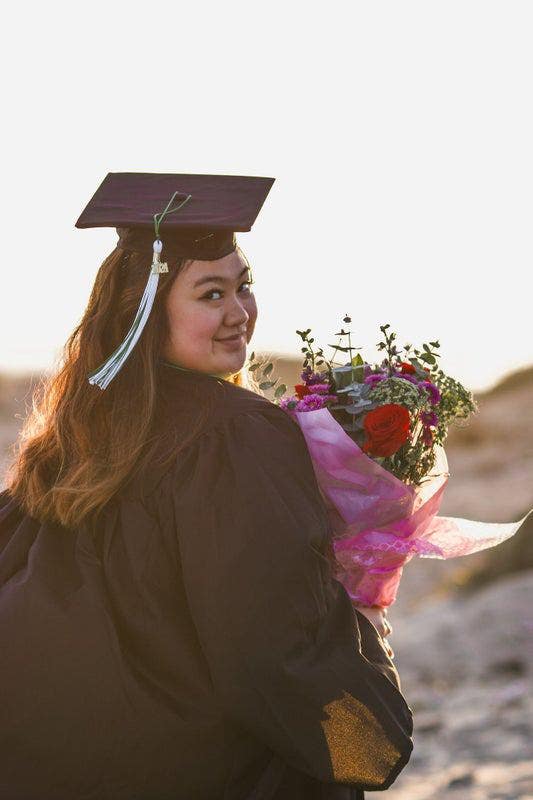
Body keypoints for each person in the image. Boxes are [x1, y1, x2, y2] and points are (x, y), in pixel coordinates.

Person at [0, 173, 413, 800]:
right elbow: (268, 641)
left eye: (243, 287)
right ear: (145, 311)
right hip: (201, 766)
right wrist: (366, 680)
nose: (239, 313)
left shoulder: (80, 434)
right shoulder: (237, 435)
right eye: (211, 294)